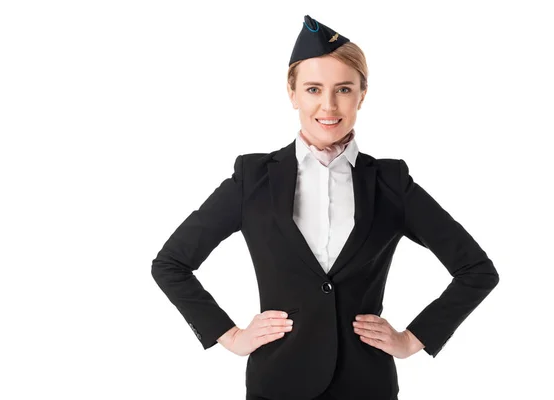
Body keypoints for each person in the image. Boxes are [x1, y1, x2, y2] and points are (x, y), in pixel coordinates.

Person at [151, 15, 500, 400]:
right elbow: (171, 264)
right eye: (314, 89)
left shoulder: (390, 182)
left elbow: (476, 271)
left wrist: (413, 339)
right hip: (278, 383)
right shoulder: (253, 178)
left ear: (362, 95)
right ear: (292, 93)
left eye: (344, 89)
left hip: (367, 384)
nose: (328, 105)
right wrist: (230, 335)